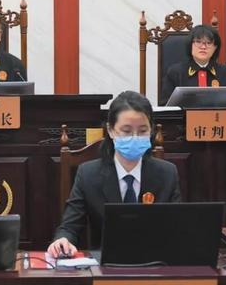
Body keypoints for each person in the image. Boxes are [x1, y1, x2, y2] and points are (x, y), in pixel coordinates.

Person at [47, 91, 181, 258]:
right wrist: (63, 240)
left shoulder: (167, 174)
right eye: (126, 131)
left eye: (142, 131)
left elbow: (177, 227)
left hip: (155, 262)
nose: (135, 138)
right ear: (110, 130)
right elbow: (70, 226)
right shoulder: (88, 174)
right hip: (105, 263)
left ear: (151, 131)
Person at [160, 24, 226, 104]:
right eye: (198, 42)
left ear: (215, 47)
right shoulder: (175, 73)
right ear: (190, 45)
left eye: (209, 43)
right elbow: (165, 105)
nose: (203, 47)